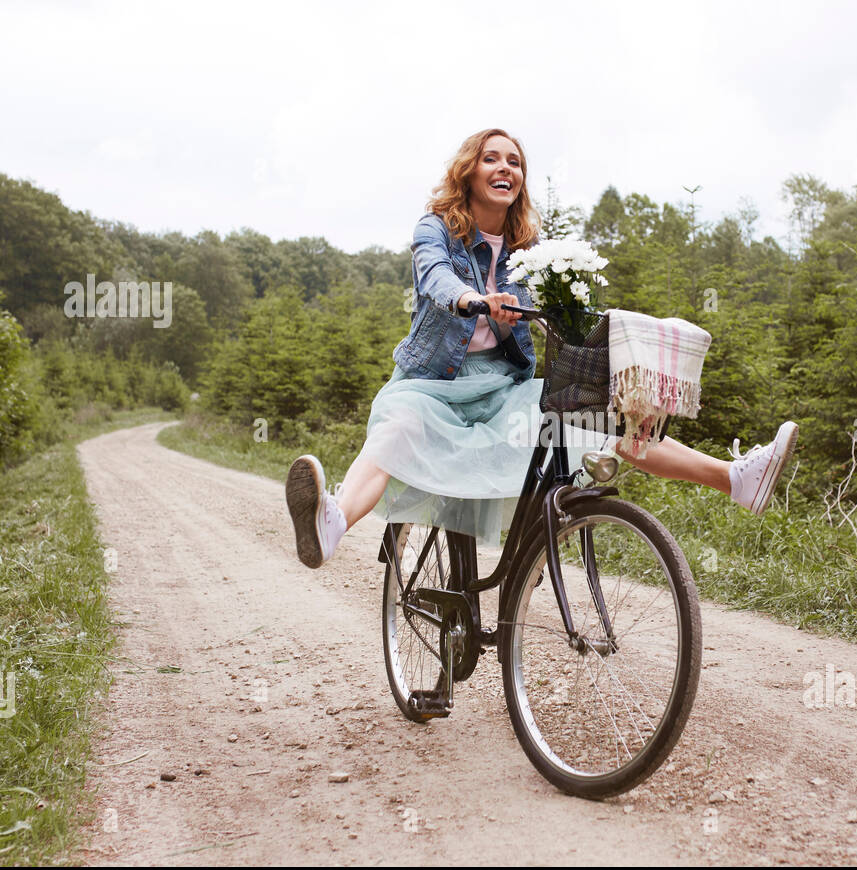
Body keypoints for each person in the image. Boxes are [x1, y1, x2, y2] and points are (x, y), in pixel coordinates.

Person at [286, 127, 798, 569]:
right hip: (434, 385)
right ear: (469, 171)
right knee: (396, 430)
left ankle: (735, 480)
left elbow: (553, 316)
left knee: (600, 422)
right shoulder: (436, 228)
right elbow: (434, 276)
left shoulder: (528, 248)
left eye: (515, 162)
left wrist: (573, 325)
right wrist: (473, 300)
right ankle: (332, 524)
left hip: (502, 388)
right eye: (491, 158)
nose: (504, 167)